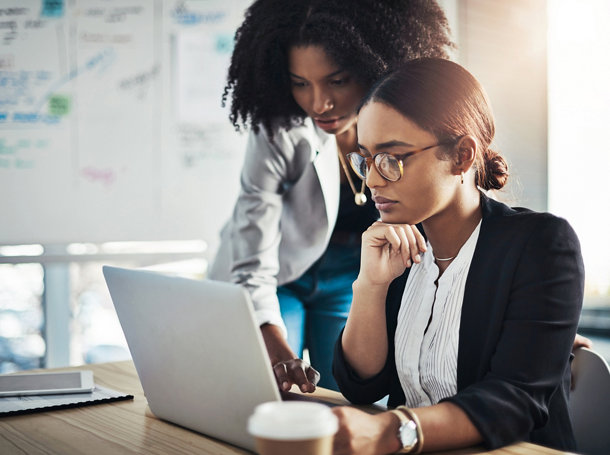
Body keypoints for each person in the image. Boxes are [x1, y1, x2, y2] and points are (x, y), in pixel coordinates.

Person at [330, 58, 584, 453]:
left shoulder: (542, 245)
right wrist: (370, 286)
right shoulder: (399, 245)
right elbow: (362, 383)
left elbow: (514, 400)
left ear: (463, 155)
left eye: (392, 159)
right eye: (365, 158)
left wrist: (391, 431)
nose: (373, 179)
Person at [208, 0, 453, 391]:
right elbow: (253, 263)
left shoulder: (412, 131)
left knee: (347, 392)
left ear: (374, 64)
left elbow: (462, 212)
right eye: (300, 83)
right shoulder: (278, 132)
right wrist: (277, 351)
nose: (318, 103)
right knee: (267, 387)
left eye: (336, 81)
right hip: (276, 276)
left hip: (351, 276)